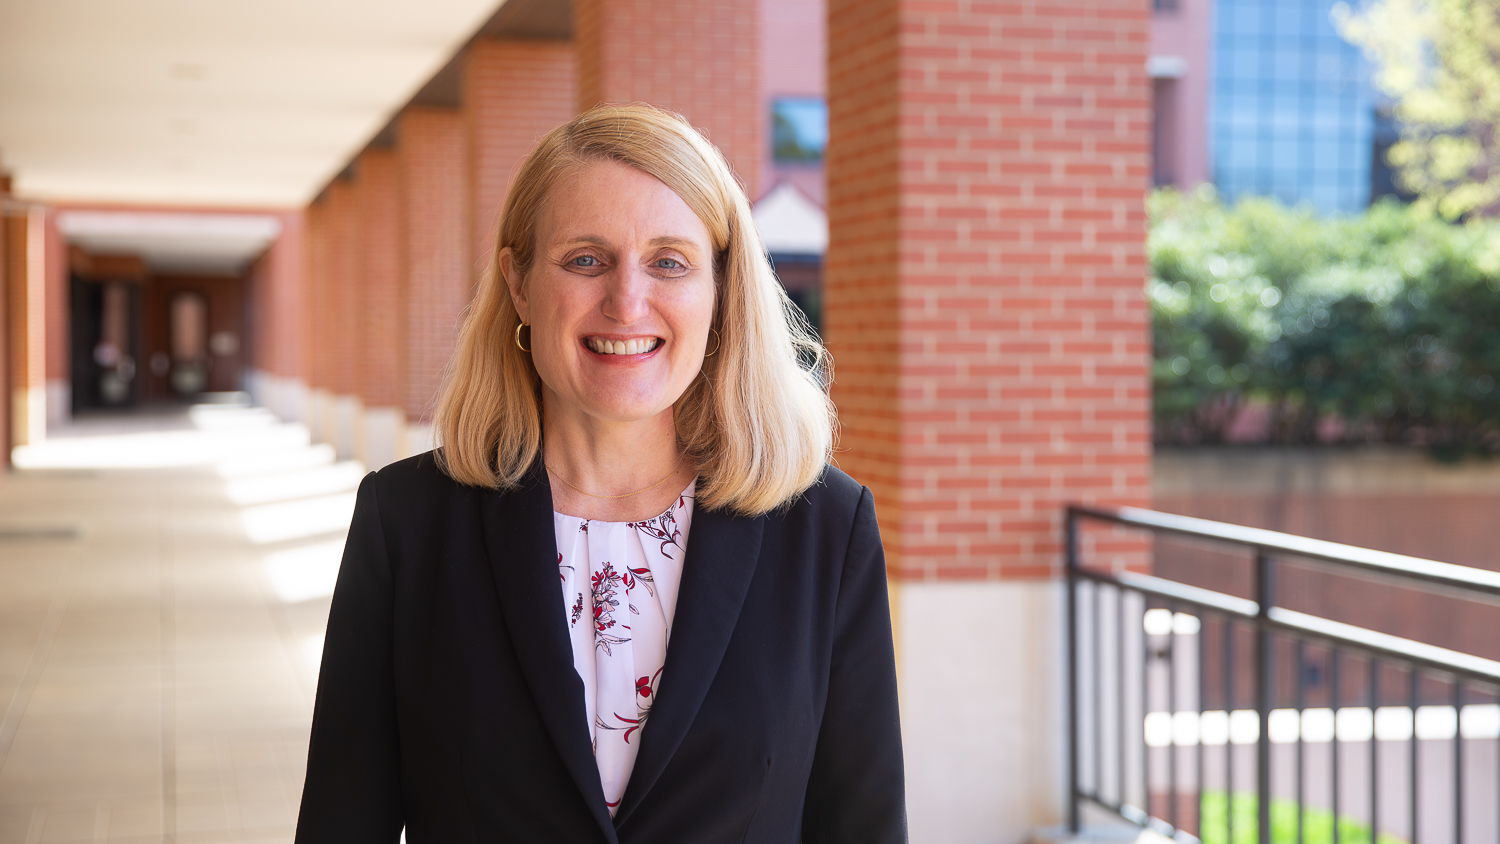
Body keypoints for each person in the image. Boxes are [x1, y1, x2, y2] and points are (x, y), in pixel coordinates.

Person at [294, 104, 906, 843]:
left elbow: (862, 825)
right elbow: (341, 820)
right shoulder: (407, 522)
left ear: (721, 289)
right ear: (517, 281)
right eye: (586, 259)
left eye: (669, 262)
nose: (627, 301)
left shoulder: (825, 530)